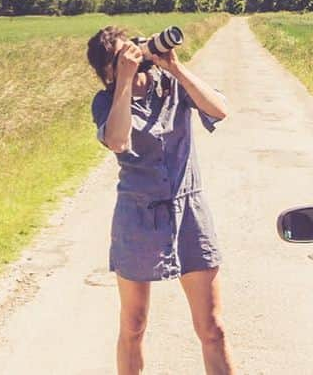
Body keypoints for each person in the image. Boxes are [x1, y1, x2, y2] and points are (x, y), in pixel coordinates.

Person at [86, 26, 234, 375]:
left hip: (189, 213)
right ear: (109, 68)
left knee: (212, 328)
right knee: (134, 325)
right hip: (137, 217)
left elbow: (220, 109)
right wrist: (123, 81)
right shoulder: (105, 101)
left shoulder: (171, 86)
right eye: (127, 55)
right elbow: (119, 140)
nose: (139, 59)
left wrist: (176, 68)